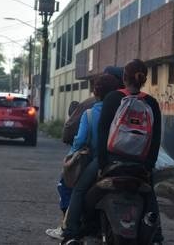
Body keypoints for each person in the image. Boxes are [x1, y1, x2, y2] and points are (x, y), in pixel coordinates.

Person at [97, 59, 164, 244]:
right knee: (150, 198)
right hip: (140, 166)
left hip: (112, 162)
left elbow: (102, 132)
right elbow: (155, 139)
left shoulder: (112, 98)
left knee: (84, 189)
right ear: (144, 79)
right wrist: (148, 167)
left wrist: (102, 164)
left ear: (124, 77)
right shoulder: (151, 103)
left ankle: (74, 231)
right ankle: (156, 237)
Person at [46, 74, 118, 244]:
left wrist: (72, 156)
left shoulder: (90, 113)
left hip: (98, 160)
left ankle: (70, 228)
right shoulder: (120, 109)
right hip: (122, 159)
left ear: (96, 92)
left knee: (77, 189)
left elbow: (79, 141)